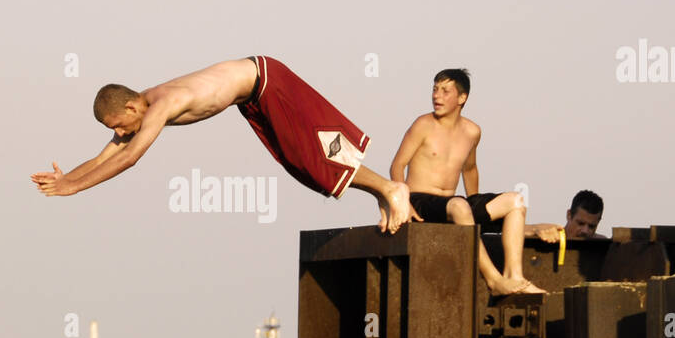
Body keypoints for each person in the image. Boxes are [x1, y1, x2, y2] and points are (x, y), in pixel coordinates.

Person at [31, 56, 418, 233]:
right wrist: (68, 180)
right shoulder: (141, 107)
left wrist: (72, 187)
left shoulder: (160, 106)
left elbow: (129, 158)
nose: (123, 132)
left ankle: (390, 188)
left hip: (268, 83)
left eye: (121, 124)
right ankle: (380, 194)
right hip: (252, 100)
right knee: (302, 167)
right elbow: (107, 153)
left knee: (316, 153)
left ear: (132, 106)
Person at [390, 68, 546, 295]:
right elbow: (397, 165)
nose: (436, 96)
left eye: (445, 91)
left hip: (453, 205)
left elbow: (470, 169)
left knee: (515, 201)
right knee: (460, 205)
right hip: (420, 203)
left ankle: (515, 277)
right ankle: (494, 281)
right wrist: (403, 203)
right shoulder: (422, 124)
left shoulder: (472, 131)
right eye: (435, 89)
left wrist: (475, 208)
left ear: (462, 98)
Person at [525, 189, 605, 241]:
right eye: (580, 223)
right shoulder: (549, 237)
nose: (585, 231)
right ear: (569, 215)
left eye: (591, 226)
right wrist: (534, 229)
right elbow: (514, 231)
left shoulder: (604, 245)